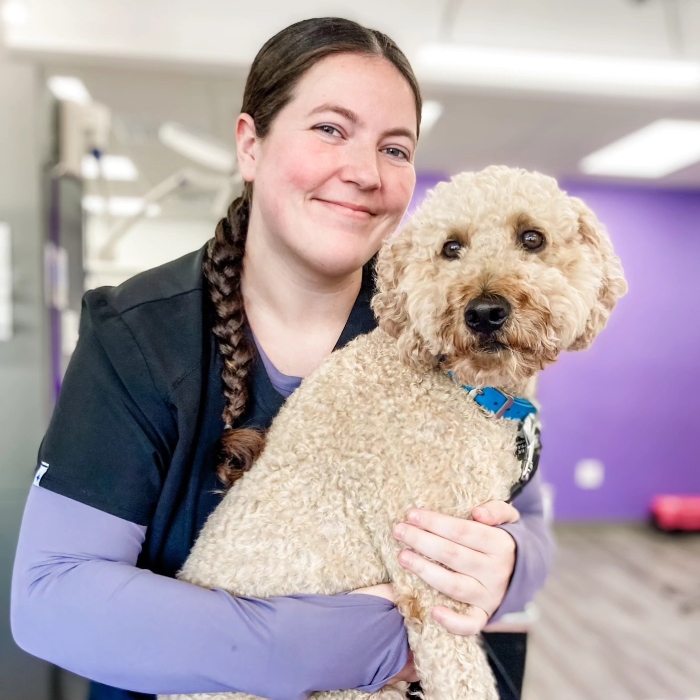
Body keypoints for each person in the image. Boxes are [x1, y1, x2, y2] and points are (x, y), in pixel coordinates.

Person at [11, 17, 553, 700]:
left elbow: (529, 521)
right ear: (250, 145)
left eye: (395, 147)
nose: (364, 172)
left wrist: (505, 566)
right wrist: (373, 639)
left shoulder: (443, 320)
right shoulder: (139, 337)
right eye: (330, 128)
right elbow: (53, 597)